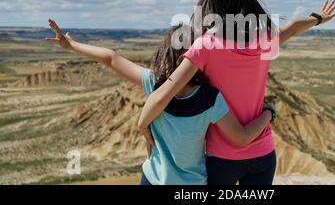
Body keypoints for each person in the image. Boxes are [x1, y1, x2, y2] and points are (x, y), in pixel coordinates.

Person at [137, 0, 335, 185]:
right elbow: (295, 26)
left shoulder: (206, 46)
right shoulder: (265, 40)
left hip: (222, 159)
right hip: (263, 154)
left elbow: (165, 93)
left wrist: (143, 124)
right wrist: (317, 18)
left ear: (212, 4)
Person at [46, 20, 276, 185]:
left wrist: (71, 45)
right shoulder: (211, 97)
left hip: (152, 178)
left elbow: (110, 57)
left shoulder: (153, 83)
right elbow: (243, 137)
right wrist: (268, 113)